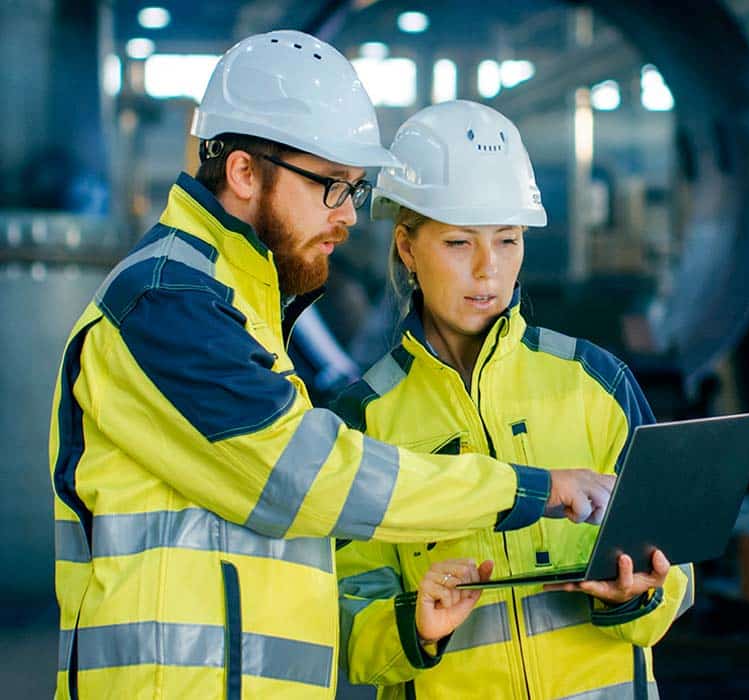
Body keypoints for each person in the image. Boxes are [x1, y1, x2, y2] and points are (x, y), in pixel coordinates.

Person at [48, 33, 615, 699]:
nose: (349, 215)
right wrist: (527, 489)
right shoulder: (168, 301)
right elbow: (307, 479)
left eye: (354, 188)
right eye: (331, 186)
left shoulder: (237, 304)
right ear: (243, 173)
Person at [334, 100, 695, 699]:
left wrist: (644, 593)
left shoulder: (597, 383)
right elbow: (346, 617)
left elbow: (677, 568)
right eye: (457, 243)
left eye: (507, 239)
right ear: (406, 247)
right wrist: (414, 628)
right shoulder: (365, 419)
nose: (488, 270)